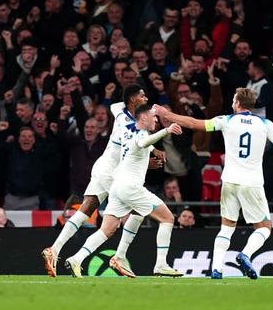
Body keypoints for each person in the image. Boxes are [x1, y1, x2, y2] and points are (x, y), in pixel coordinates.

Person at [153, 87, 273, 280]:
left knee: (227, 227)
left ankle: (216, 269)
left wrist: (166, 114)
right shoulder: (265, 124)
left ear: (237, 103)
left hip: (229, 182)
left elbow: (193, 123)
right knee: (264, 228)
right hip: (252, 183)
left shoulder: (226, 120)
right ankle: (245, 254)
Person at [41, 84, 154, 278]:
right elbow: (136, 145)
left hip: (101, 167)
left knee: (86, 210)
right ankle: (119, 257)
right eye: (142, 96)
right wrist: (154, 150)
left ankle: (55, 249)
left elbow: (114, 106)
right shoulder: (129, 124)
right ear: (134, 99)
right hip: (114, 174)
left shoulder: (119, 111)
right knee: (137, 211)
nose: (146, 99)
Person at [64, 104, 184, 278]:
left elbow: (118, 111)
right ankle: (161, 264)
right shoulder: (141, 133)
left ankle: (78, 258)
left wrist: (154, 149)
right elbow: (143, 141)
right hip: (130, 188)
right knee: (167, 218)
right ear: (143, 118)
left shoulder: (127, 129)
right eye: (153, 117)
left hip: (117, 186)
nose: (156, 120)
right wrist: (167, 131)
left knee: (109, 228)